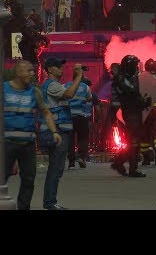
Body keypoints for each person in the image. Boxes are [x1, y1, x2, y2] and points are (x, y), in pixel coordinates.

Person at [4, 60, 61, 210]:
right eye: (28, 71)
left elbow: (46, 112)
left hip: (27, 144)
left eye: (32, 70)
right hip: (6, 143)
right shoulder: (4, 89)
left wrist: (54, 131)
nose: (32, 73)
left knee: (29, 180)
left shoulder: (34, 92)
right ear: (18, 73)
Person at [39, 57, 84, 209]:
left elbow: (67, 92)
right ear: (50, 70)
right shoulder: (51, 85)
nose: (61, 68)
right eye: (58, 66)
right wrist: (78, 77)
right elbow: (70, 94)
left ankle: (50, 201)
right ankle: (50, 203)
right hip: (57, 131)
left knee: (56, 168)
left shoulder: (53, 85)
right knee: (56, 168)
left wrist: (75, 78)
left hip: (58, 130)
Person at [111, 55, 151, 177]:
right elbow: (131, 92)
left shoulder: (128, 77)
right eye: (135, 65)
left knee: (133, 141)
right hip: (130, 111)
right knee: (134, 141)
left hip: (134, 110)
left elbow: (135, 94)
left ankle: (120, 162)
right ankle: (129, 167)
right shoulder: (122, 78)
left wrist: (144, 102)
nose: (136, 67)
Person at [64, 71, 93, 169]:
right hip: (81, 116)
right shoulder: (85, 87)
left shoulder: (65, 85)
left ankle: (71, 162)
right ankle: (81, 157)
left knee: (70, 139)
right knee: (83, 137)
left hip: (68, 116)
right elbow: (89, 98)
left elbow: (62, 97)